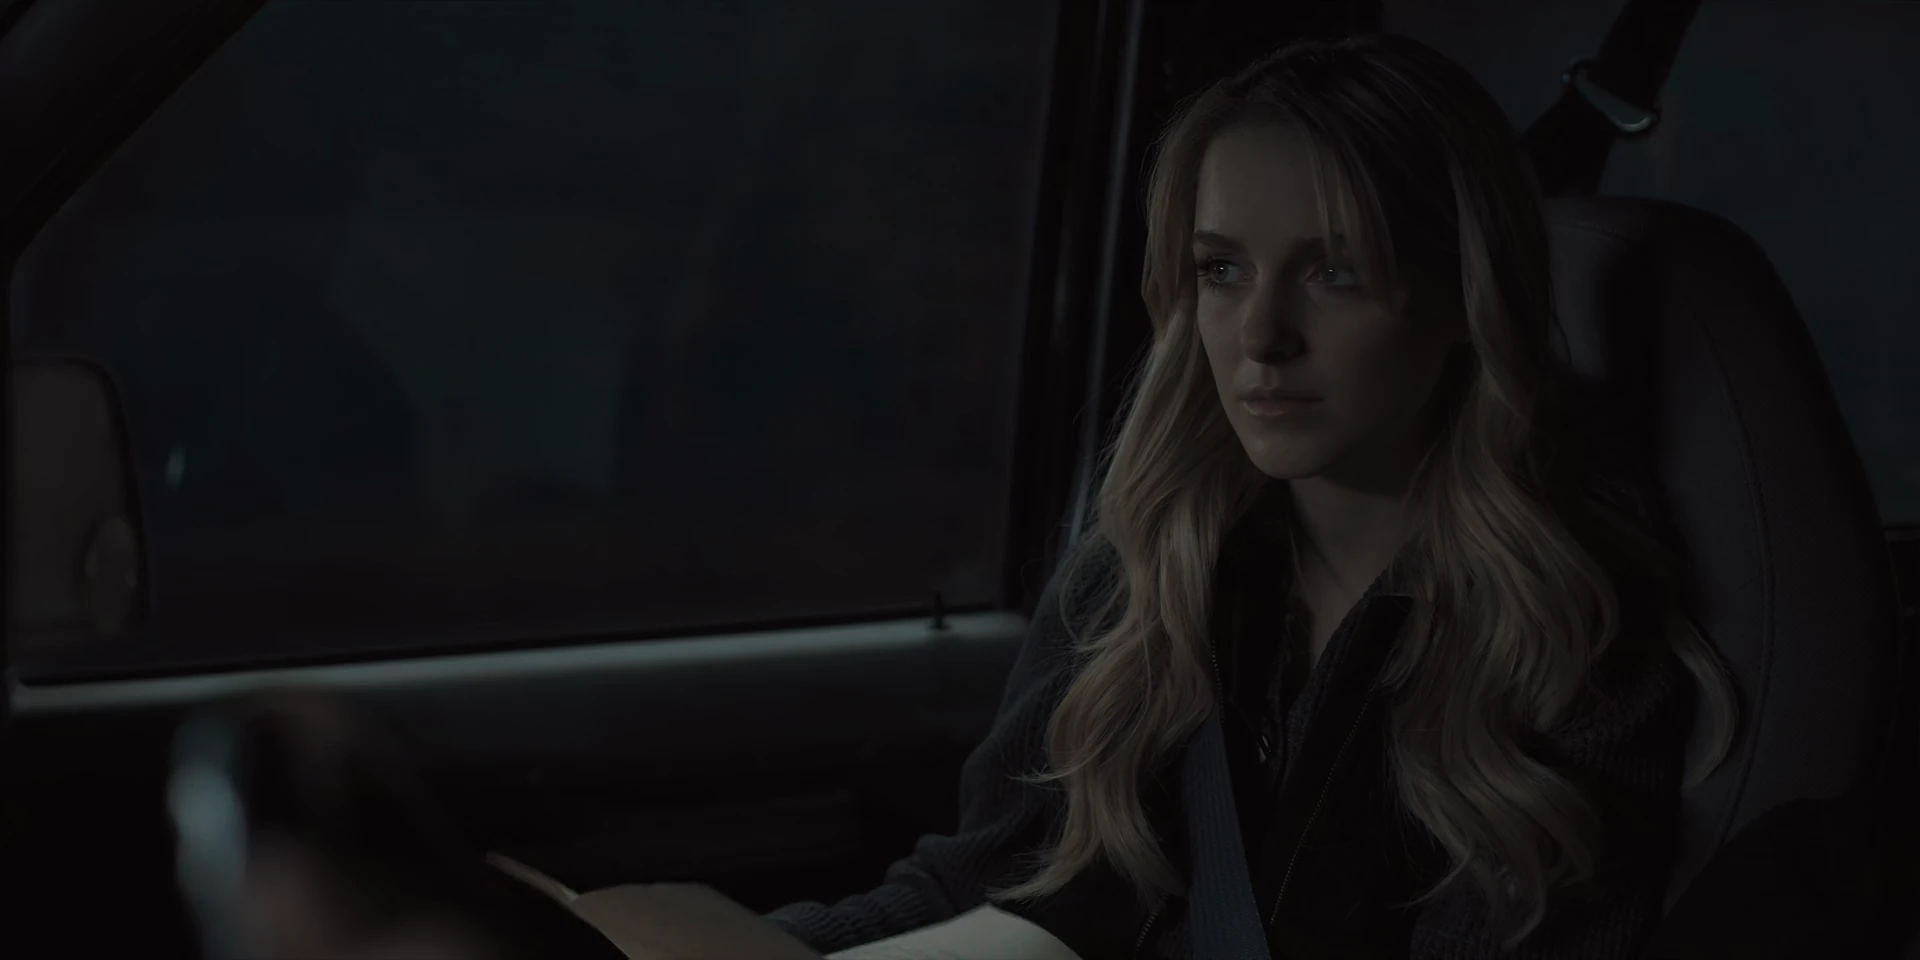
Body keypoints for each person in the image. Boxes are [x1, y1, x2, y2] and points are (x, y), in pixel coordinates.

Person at [766, 33, 1739, 959]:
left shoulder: (1557, 640)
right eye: (1222, 271)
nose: (1262, 335)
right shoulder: (1151, 560)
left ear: (1459, 293)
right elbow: (988, 884)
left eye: (1334, 272)